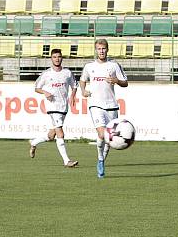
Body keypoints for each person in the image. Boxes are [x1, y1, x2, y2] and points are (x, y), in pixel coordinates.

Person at [79, 39, 128, 178]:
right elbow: (82, 80)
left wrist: (117, 81)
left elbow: (125, 83)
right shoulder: (89, 66)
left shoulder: (114, 65)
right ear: (96, 50)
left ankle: (101, 160)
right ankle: (100, 159)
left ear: (107, 49)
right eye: (99, 49)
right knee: (102, 134)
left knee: (109, 139)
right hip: (95, 105)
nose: (101, 51)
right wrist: (83, 91)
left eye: (103, 48)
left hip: (111, 105)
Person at [29, 48, 79, 167]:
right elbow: (36, 88)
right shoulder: (47, 74)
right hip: (52, 106)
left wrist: (72, 95)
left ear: (62, 58)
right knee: (60, 133)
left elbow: (75, 85)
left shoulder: (67, 73)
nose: (57, 59)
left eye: (59, 57)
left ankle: (34, 143)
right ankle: (67, 161)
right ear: (51, 59)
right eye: (54, 57)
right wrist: (45, 92)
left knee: (51, 135)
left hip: (63, 106)